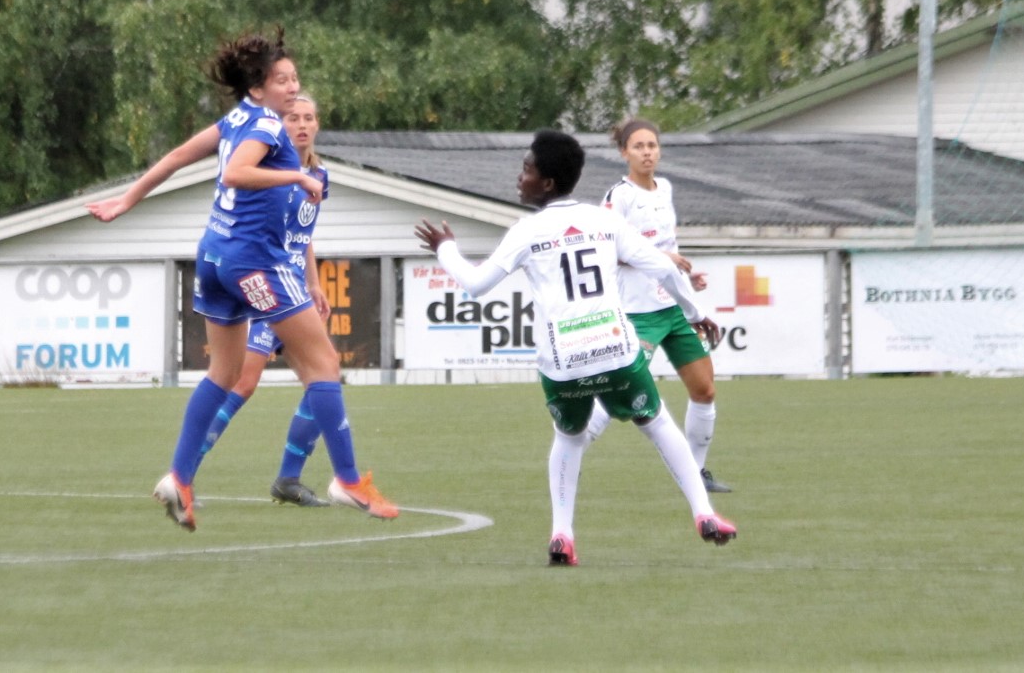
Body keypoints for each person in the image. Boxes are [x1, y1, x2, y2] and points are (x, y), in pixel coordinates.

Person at [87, 31, 396, 528]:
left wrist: (128, 199)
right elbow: (235, 172)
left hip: (214, 258)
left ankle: (180, 478)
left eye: (295, 78)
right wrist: (296, 176)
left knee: (224, 374)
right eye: (282, 80)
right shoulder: (268, 126)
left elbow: (176, 156)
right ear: (257, 87)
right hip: (255, 264)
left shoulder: (236, 119)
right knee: (322, 364)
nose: (293, 87)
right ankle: (348, 480)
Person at [413, 130, 736, 567]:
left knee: (568, 436)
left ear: (546, 183)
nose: (520, 177)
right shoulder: (603, 221)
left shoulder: (527, 231)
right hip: (615, 350)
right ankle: (704, 513)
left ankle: (562, 535)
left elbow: (475, 284)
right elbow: (663, 267)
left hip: (563, 362)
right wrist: (695, 311)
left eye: (526, 169)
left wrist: (445, 249)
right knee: (657, 422)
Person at [196, 92, 333, 507]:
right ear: (280, 125)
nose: (302, 125)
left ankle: (289, 478)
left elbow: (303, 235)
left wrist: (313, 282)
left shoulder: (319, 175)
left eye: (309, 118)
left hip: (295, 289)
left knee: (322, 378)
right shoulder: (271, 172)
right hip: (265, 281)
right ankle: (183, 473)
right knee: (244, 380)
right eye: (294, 118)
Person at [591, 118, 733, 494]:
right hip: (638, 312)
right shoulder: (618, 197)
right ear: (624, 152)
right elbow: (607, 252)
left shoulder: (665, 189)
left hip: (673, 307)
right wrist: (662, 258)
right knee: (620, 391)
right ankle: (570, 448)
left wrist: (686, 275)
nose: (647, 152)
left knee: (704, 389)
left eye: (652, 145)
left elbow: (669, 246)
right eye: (638, 146)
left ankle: (696, 474)